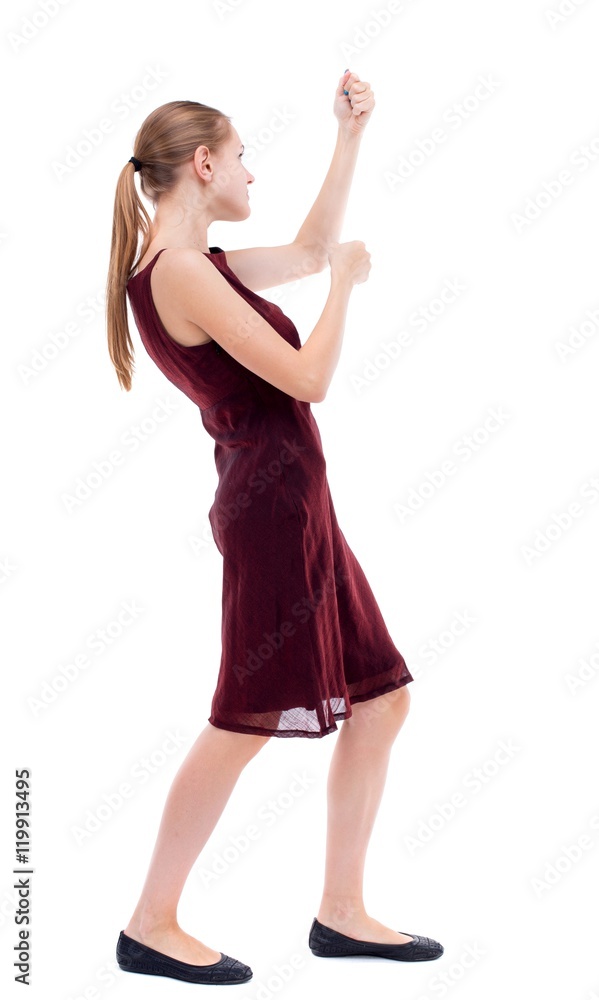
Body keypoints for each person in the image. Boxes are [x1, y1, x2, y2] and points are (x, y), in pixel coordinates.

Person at [105, 70, 443, 986]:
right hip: (270, 509)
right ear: (204, 164)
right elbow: (308, 377)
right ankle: (150, 922)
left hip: (295, 504)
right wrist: (346, 289)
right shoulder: (179, 274)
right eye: (244, 157)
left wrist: (348, 136)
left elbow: (305, 246)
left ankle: (340, 913)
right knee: (243, 718)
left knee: (380, 698)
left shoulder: (193, 266)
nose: (252, 172)